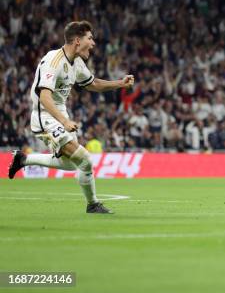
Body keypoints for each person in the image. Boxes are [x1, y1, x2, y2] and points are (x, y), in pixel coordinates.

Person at [8, 21, 135, 214]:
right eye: (90, 38)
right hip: (45, 115)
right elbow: (44, 96)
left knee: (70, 163)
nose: (93, 43)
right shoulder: (54, 60)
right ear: (77, 40)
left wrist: (120, 84)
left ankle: (23, 159)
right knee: (85, 159)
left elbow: (93, 83)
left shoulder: (77, 63)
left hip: (60, 115)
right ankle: (92, 204)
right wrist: (64, 121)